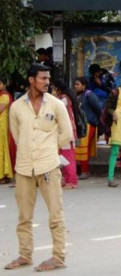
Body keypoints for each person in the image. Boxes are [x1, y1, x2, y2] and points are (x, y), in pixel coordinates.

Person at [5, 63, 72, 272]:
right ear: (31, 79)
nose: (47, 82)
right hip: (24, 168)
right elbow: (17, 136)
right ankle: (25, 255)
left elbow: (67, 134)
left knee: (55, 214)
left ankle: (58, 256)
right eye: (43, 78)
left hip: (49, 166)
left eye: (48, 79)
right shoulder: (16, 107)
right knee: (24, 217)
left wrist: (50, 150)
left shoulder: (55, 105)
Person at [50, 81, 80, 189]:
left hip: (66, 133)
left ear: (57, 89)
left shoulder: (63, 100)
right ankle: (67, 179)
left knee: (68, 157)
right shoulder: (62, 99)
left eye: (53, 89)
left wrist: (52, 98)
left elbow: (53, 112)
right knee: (63, 156)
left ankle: (72, 181)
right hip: (62, 133)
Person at [73, 77, 101, 180]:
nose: (75, 86)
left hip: (89, 124)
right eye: (75, 84)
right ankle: (84, 170)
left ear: (84, 85)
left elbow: (98, 108)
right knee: (83, 148)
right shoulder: (77, 95)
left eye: (77, 84)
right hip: (81, 125)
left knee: (83, 148)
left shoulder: (89, 94)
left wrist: (96, 120)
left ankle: (84, 171)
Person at [0, 75, 15, 184]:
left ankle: (3, 174)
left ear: (4, 84)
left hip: (2, 125)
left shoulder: (5, 95)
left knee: (2, 148)